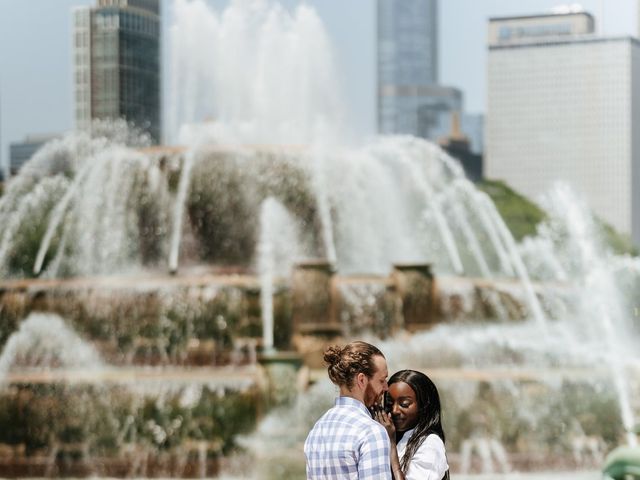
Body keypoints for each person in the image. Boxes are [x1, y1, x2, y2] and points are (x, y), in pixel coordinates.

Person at [304, 340, 391, 479]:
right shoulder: (371, 432)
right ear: (362, 380)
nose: (386, 387)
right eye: (382, 380)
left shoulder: (317, 430)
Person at [372, 370, 449, 480]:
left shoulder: (430, 443)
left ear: (424, 406)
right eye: (389, 403)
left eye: (404, 404)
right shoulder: (395, 435)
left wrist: (390, 444)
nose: (394, 410)